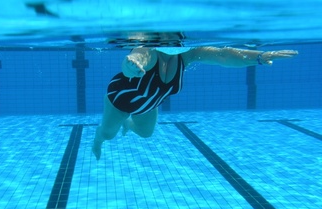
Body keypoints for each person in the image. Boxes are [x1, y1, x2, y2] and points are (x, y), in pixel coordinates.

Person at [92, 46, 298, 160]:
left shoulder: (187, 54)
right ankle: (97, 138)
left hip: (149, 104)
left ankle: (127, 124)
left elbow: (223, 55)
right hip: (120, 100)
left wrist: (259, 57)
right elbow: (135, 58)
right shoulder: (149, 52)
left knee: (146, 133)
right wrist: (131, 65)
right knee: (108, 134)